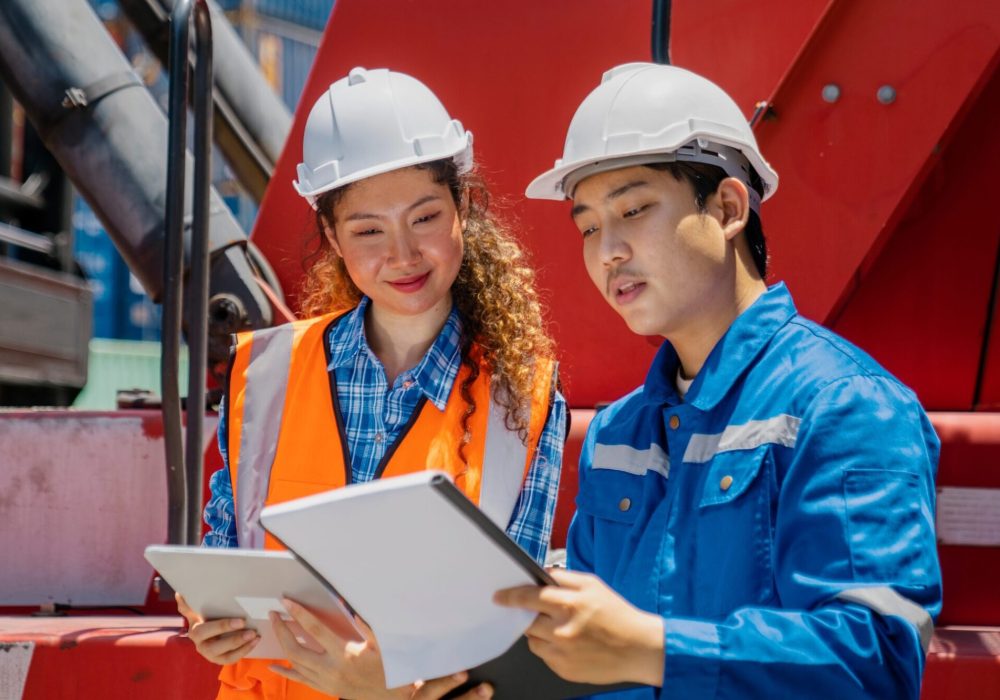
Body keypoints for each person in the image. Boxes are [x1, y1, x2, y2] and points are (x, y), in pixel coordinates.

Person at [494, 62, 941, 699]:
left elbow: (877, 662)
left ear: (729, 207)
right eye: (589, 225)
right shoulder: (616, 434)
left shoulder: (844, 406)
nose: (607, 250)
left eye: (634, 209)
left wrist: (655, 647)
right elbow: (587, 661)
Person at [177, 66, 566, 700]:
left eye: (425, 217)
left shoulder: (521, 398)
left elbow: (513, 632)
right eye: (367, 231)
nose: (404, 255)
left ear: (463, 208)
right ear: (331, 236)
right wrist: (205, 616)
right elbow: (226, 544)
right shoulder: (266, 373)